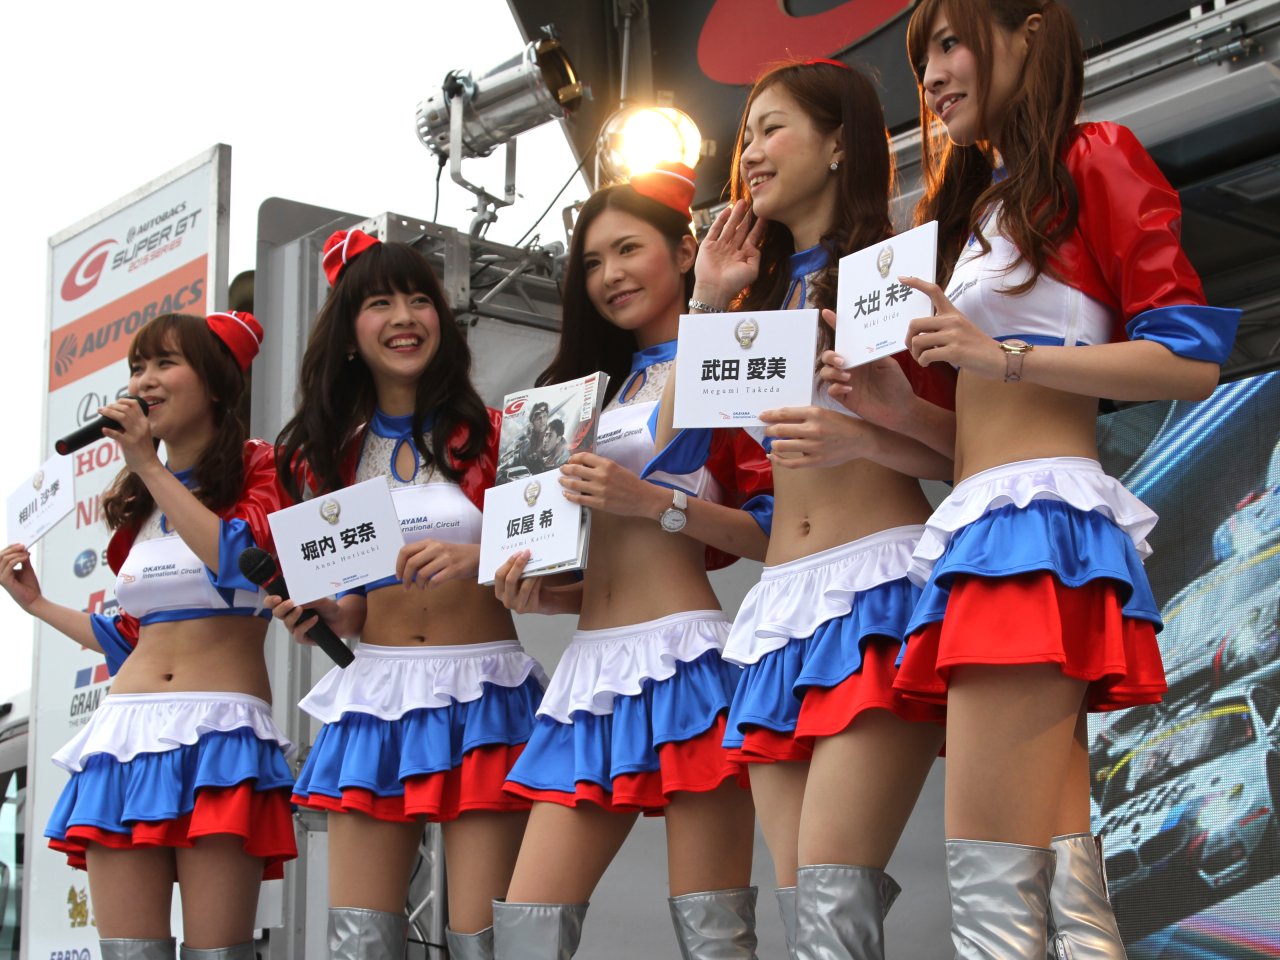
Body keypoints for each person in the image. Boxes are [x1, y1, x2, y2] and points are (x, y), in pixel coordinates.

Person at [882, 1, 1241, 956]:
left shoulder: (1094, 158)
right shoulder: (973, 211)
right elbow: (966, 438)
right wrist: (878, 409)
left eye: (949, 44)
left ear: (1029, 34)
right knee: (1059, 882)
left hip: (1036, 526)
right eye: (923, 59)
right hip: (983, 528)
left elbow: (1188, 360)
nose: (933, 77)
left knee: (993, 881)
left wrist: (1003, 356)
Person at [684, 59, 957, 960]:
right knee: (808, 909)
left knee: (834, 893)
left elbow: (970, 452)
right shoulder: (752, 298)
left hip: (877, 587)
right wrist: (705, 299)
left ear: (841, 144)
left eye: (773, 128)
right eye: (746, 136)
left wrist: (867, 438)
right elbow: (688, 451)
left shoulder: (896, 272)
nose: (750, 154)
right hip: (777, 609)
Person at [490, 163, 774, 960]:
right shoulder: (583, 394)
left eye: (626, 250)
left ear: (684, 252)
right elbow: (590, 543)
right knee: (527, 929)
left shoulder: (734, 359)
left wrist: (654, 503)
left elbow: (777, 529)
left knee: (715, 934)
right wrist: (546, 595)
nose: (608, 275)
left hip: (685, 661)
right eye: (591, 262)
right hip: (590, 667)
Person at [270, 229, 545, 960]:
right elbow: (353, 608)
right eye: (381, 303)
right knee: (359, 940)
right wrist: (321, 613)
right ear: (349, 331)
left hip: (483, 690)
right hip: (377, 690)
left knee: (486, 939)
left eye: (420, 299)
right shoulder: (326, 455)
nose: (404, 317)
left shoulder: (498, 435)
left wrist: (477, 556)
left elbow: (551, 557)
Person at [0, 311, 295, 960]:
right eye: (137, 368)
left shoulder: (262, 467)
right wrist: (37, 604)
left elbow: (240, 558)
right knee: (130, 951)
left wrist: (148, 465)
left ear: (214, 382)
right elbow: (130, 638)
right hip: (124, 733)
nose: (144, 382)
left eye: (165, 364)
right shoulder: (141, 504)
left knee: (219, 952)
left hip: (221, 732)